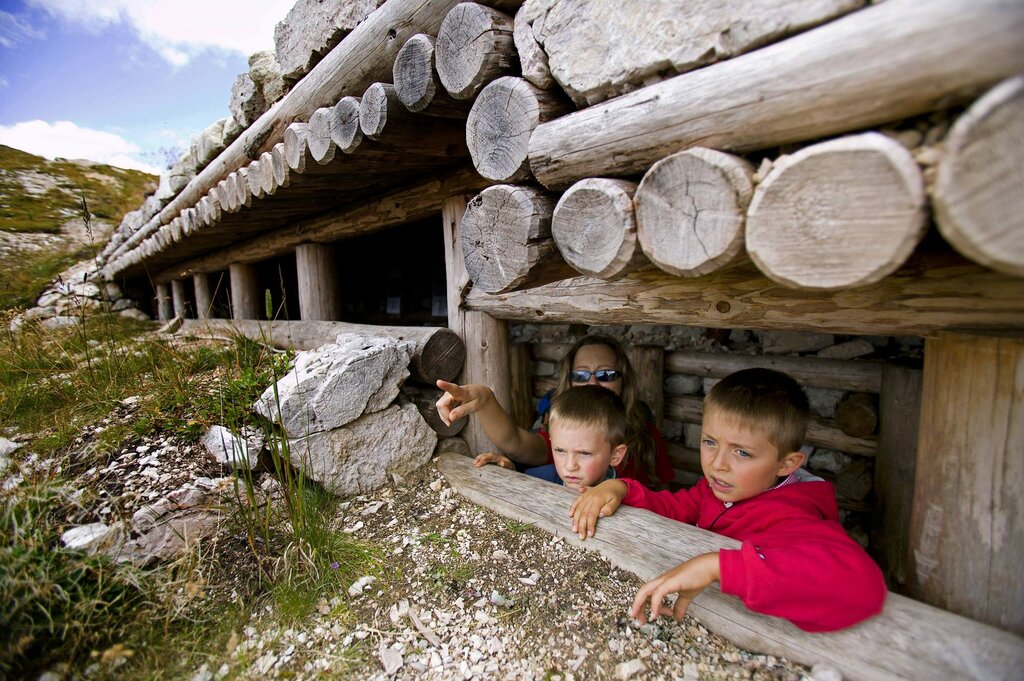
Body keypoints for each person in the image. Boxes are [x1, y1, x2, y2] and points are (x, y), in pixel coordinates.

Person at [568, 368, 887, 633]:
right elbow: (675, 508)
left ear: (786, 464)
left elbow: (862, 586)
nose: (718, 464)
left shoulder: (792, 514)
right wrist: (621, 488)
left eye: (742, 452)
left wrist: (718, 567)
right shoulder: (714, 490)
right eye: (710, 442)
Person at [436, 334, 673, 488]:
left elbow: (664, 488)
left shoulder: (644, 428)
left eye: (606, 374)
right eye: (581, 375)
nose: (592, 382)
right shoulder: (565, 430)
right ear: (569, 381)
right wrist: (485, 400)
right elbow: (517, 442)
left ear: (624, 380)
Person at [476, 385, 628, 492]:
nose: (570, 466)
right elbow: (520, 485)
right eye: (560, 450)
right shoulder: (545, 476)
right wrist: (509, 471)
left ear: (615, 455)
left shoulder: (627, 496)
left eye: (584, 453)